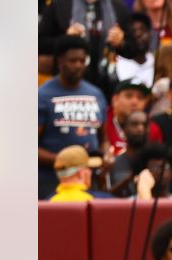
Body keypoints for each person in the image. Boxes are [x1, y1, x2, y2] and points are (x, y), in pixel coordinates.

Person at [39, 36, 108, 199]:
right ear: (60, 61)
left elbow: (103, 138)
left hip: (88, 178)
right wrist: (66, 161)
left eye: (82, 61)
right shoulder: (42, 95)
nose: (78, 65)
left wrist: (107, 155)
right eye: (73, 60)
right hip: (52, 180)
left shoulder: (95, 94)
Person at [106, 80, 165, 158]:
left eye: (140, 98)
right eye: (129, 96)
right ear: (115, 100)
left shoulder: (153, 129)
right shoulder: (103, 122)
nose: (134, 102)